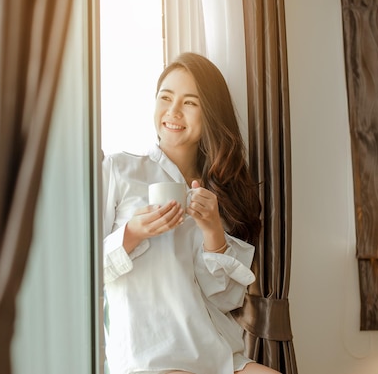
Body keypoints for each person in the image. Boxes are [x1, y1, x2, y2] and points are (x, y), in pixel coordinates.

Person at [102, 52, 281, 374]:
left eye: (190, 102)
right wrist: (133, 233)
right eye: (165, 98)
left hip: (216, 350)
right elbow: (83, 271)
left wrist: (213, 229)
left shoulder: (220, 192)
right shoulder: (119, 169)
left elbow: (226, 300)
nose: (172, 112)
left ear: (209, 112)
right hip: (150, 355)